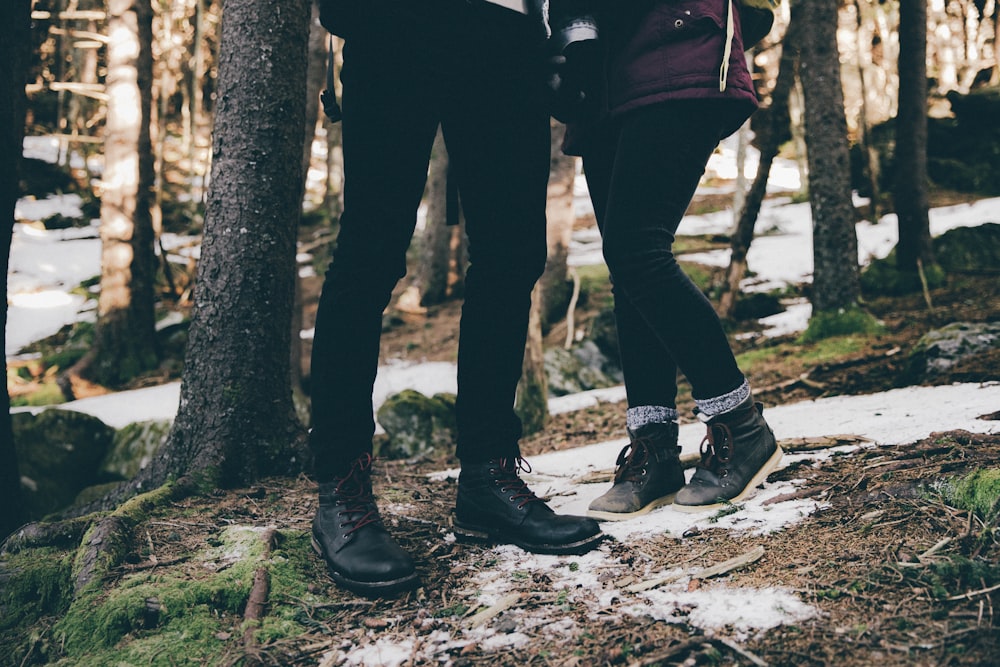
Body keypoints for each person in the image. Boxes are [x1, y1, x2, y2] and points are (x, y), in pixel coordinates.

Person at [308, 0, 604, 597]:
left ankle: (487, 477)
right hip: (393, 24)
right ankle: (342, 490)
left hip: (504, 36)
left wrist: (571, 35)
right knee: (369, 256)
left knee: (513, 255)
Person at [556, 0, 783, 521]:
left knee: (636, 250)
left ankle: (741, 426)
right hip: (603, 79)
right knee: (628, 270)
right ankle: (654, 451)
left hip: (673, 48)